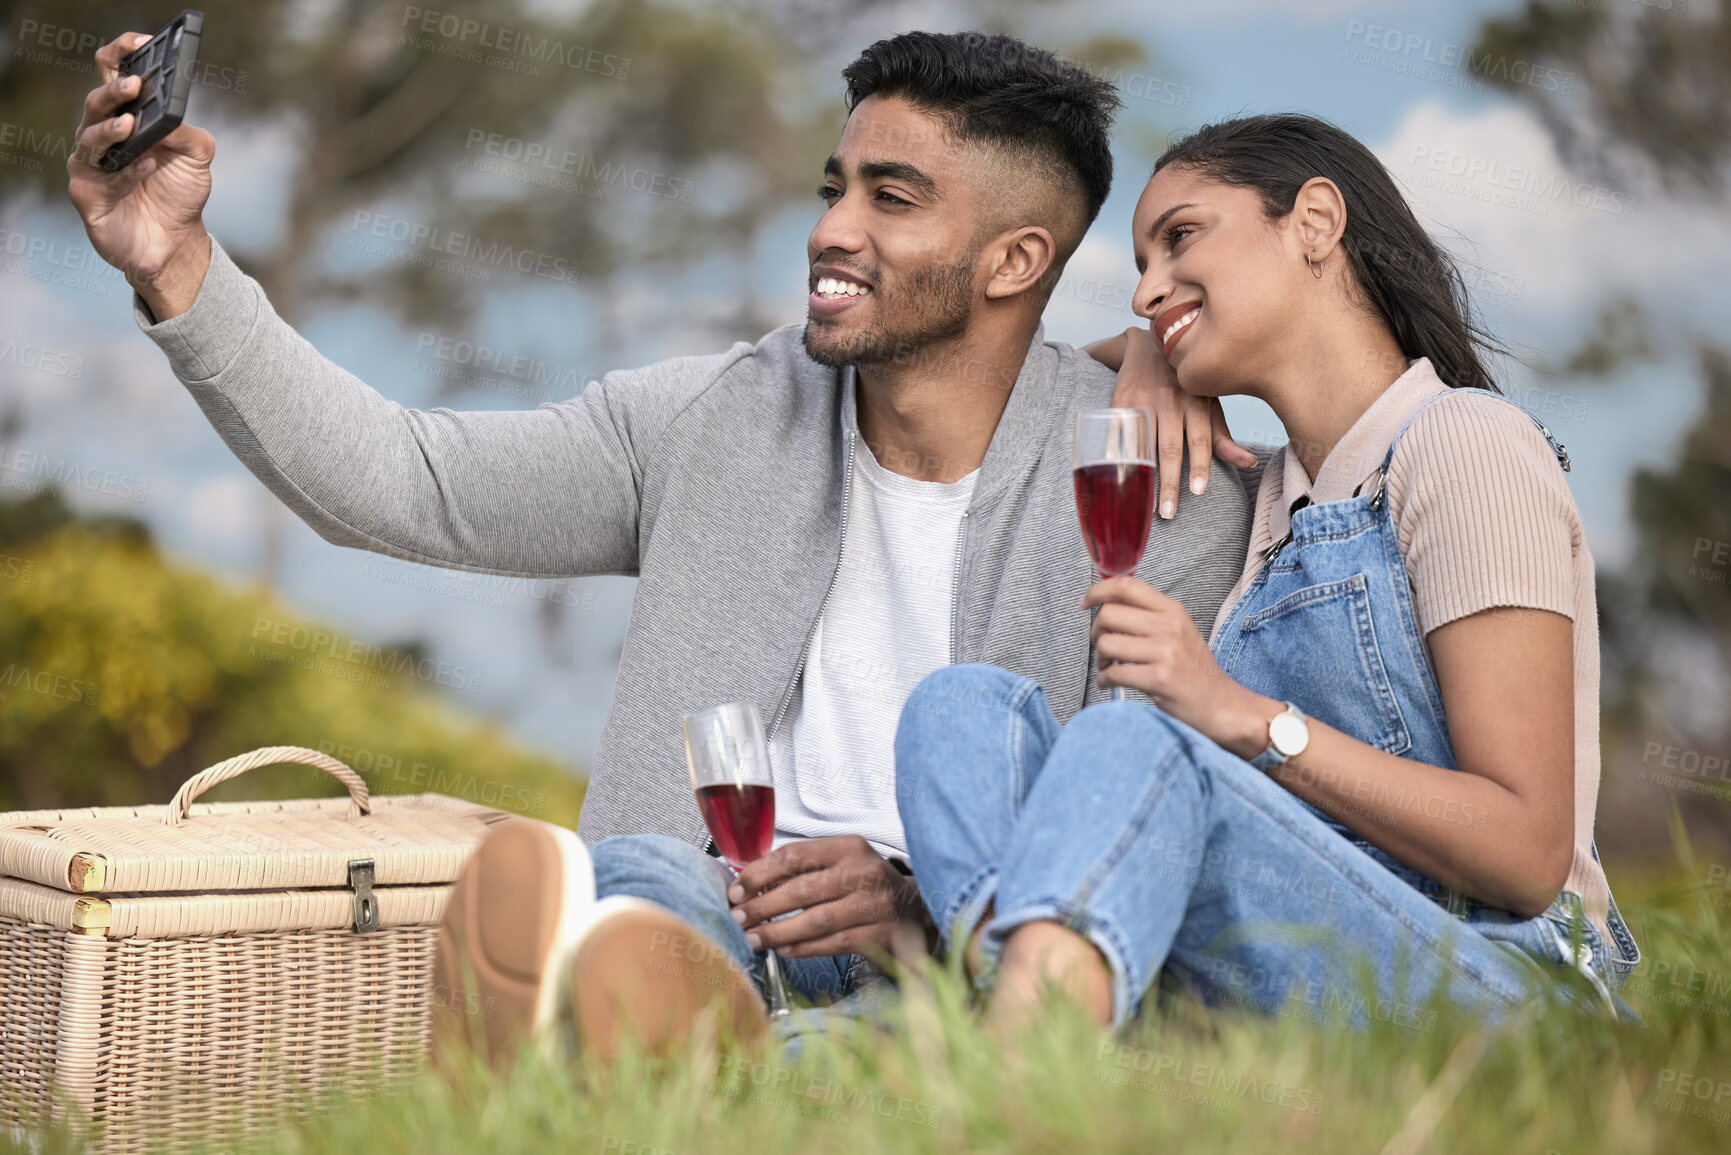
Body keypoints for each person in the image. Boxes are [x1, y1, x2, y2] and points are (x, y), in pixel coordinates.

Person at [66, 31, 1252, 1061]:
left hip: (945, 957)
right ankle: (665, 1021)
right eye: (834, 185)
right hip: (696, 910)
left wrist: (912, 908)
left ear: (1014, 261)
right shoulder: (714, 419)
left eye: (892, 199)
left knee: (876, 1030)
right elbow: (402, 480)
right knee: (643, 880)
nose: (831, 231)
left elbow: (1136, 835)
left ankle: (656, 1054)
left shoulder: (1158, 491)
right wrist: (176, 264)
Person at [892, 113, 1641, 1037]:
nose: (1145, 289)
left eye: (1179, 238)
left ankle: (1005, 1053)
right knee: (958, 710)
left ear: (1314, 222)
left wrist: (1240, 718)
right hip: (1297, 957)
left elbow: (1528, 851)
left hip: (1506, 973)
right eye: (1140, 265)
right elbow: (1043, 368)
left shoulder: (1465, 444)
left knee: (1133, 743)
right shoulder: (1270, 491)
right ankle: (1032, 1015)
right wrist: (1140, 356)